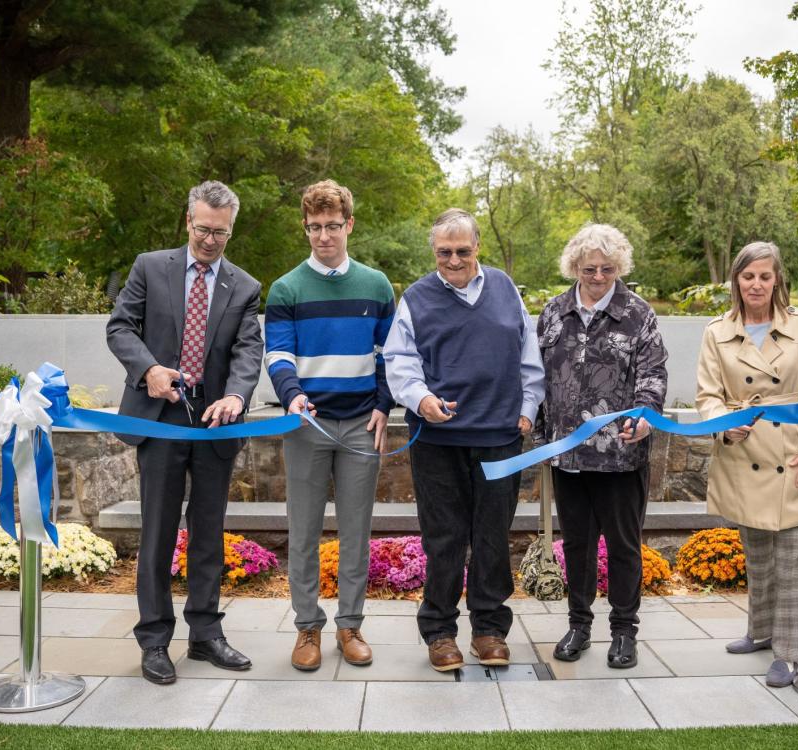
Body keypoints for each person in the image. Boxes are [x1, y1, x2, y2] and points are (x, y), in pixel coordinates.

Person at [107, 180, 263, 684]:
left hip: (216, 424)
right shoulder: (150, 267)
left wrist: (237, 396)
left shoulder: (244, 286)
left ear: (230, 230)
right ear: (188, 220)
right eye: (202, 229)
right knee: (156, 534)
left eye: (220, 232)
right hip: (159, 420)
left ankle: (205, 635)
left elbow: (247, 351)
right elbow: (120, 328)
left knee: (208, 534)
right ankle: (154, 640)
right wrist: (149, 370)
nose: (210, 240)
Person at [383, 208, 544, 672]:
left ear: (477, 248)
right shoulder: (415, 297)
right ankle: (440, 632)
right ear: (434, 251)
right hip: (437, 440)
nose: (453, 260)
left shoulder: (505, 289)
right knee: (444, 539)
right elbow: (399, 361)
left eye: (462, 251)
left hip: (499, 437)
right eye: (444, 252)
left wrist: (528, 408)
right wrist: (420, 399)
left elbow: (527, 353)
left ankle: (490, 629)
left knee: (493, 536)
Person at [264, 179, 395, 672]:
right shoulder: (286, 288)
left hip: (363, 424)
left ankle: (350, 625)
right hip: (306, 426)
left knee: (356, 531)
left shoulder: (376, 284)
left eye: (333, 226)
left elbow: (391, 353)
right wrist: (292, 394)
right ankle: (306, 629)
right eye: (315, 227)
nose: (324, 236)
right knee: (303, 531)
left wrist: (384, 404)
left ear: (349, 226)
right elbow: (277, 353)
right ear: (306, 228)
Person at [695, 241, 798, 688]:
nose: (756, 284)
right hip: (745, 451)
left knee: (794, 556)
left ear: (778, 281)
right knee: (757, 550)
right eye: (748, 276)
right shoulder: (715, 332)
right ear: (736, 279)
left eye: (765, 276)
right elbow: (708, 395)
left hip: (796, 453)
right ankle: (761, 631)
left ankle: (791, 653)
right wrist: (723, 427)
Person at [535, 224, 668, 669]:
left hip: (621, 457)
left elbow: (652, 376)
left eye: (607, 269)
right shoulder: (553, 313)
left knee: (624, 546)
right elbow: (537, 377)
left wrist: (644, 417)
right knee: (577, 544)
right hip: (568, 457)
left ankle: (625, 631)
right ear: (574, 266)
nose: (597, 276)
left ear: (619, 268)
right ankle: (579, 625)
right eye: (589, 268)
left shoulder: (639, 314)